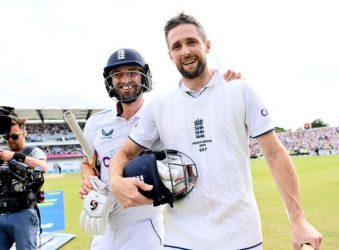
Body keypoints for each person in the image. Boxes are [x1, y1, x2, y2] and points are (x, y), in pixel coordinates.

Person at [109, 13, 322, 250]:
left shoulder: (239, 90)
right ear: (170, 56)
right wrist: (115, 180)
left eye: (191, 42)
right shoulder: (159, 107)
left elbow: (274, 154)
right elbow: (125, 153)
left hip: (243, 239)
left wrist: (298, 219)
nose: (185, 51)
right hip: (180, 241)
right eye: (176, 46)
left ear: (207, 45)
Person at [79, 48, 241, 250]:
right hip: (103, 228)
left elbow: (204, 122)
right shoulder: (96, 123)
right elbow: (88, 162)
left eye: (132, 72)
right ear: (110, 81)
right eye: (118, 74)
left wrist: (223, 93)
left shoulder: (163, 115)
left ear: (144, 76)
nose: (125, 79)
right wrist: (87, 179)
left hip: (144, 229)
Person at [0, 116, 48, 250]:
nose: (10, 140)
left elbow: (43, 167)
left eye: (14, 136)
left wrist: (16, 156)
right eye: (7, 137)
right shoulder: (2, 154)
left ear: (24, 133)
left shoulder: (32, 151)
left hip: (23, 213)